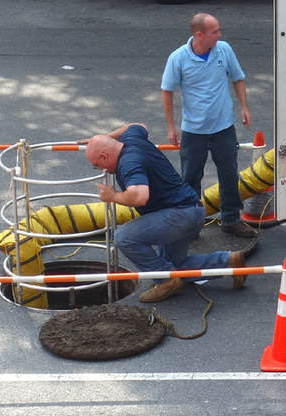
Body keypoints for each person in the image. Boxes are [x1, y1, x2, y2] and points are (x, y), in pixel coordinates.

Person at [84, 123, 254, 303]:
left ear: (104, 156)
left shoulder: (128, 164)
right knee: (174, 266)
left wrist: (113, 196)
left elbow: (140, 196)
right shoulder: (130, 139)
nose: (100, 170)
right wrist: (106, 138)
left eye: (97, 165)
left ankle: (165, 281)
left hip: (177, 215)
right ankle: (227, 261)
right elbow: (139, 125)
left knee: (123, 237)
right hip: (190, 210)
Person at [160, 13, 251, 237]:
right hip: (194, 132)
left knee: (229, 176)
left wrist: (244, 106)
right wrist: (171, 126)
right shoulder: (178, 58)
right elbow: (167, 91)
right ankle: (191, 226)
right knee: (190, 180)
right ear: (199, 35)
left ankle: (231, 219)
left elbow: (237, 78)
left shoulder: (224, 50)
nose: (219, 35)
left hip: (224, 128)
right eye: (215, 31)